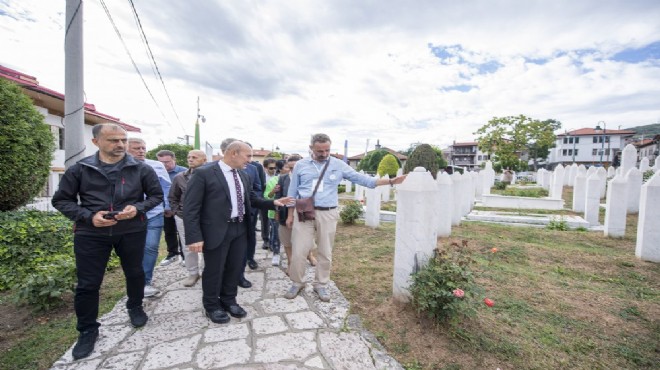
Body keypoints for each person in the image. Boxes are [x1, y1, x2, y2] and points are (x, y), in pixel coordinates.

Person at [52, 123, 163, 360]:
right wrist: (89, 217)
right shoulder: (79, 169)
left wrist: (138, 208)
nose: (120, 144)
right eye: (113, 140)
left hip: (131, 230)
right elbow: (61, 200)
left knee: (135, 273)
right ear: (96, 142)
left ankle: (135, 306)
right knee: (88, 284)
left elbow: (156, 196)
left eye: (123, 139)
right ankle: (87, 330)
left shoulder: (141, 169)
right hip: (91, 233)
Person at [284, 133, 406, 302]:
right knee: (299, 251)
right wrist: (290, 215)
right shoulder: (300, 165)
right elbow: (292, 191)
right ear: (311, 148)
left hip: (328, 213)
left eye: (327, 150)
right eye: (320, 150)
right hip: (303, 213)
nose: (324, 153)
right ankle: (297, 282)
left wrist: (390, 182)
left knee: (325, 251)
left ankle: (321, 285)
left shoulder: (338, 165)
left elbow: (362, 179)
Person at [183, 141, 292, 324]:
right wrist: (194, 237)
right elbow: (191, 208)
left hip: (240, 228)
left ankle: (229, 300)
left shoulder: (242, 174)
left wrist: (272, 202)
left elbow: (250, 198)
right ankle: (211, 306)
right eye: (248, 156)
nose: (250, 160)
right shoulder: (204, 173)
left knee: (234, 267)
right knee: (214, 270)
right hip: (216, 230)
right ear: (233, 153)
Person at [127, 138, 172, 297]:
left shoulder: (156, 165)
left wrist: (167, 206)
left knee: (151, 247)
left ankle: (145, 282)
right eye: (136, 148)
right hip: (128, 215)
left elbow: (166, 187)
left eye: (143, 148)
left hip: (153, 213)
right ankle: (133, 280)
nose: (141, 151)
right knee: (132, 249)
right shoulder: (119, 167)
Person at [168, 150, 207, 287]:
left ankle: (207, 271)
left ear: (204, 160)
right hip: (183, 217)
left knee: (209, 245)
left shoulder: (212, 175)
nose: (190, 159)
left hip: (207, 217)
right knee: (188, 246)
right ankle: (193, 273)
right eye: (189, 157)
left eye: (194, 157)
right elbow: (173, 197)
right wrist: (176, 212)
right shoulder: (180, 177)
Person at [274, 155, 316, 274]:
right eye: (290, 167)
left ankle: (309, 255)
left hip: (304, 212)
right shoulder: (282, 178)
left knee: (306, 238)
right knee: (287, 239)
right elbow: (278, 196)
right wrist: (277, 211)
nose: (293, 170)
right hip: (285, 213)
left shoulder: (309, 177)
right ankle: (290, 262)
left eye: (296, 167)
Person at [157, 150, 187, 266]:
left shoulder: (184, 172)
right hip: (163, 208)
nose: (164, 165)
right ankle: (172, 253)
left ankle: (185, 255)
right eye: (161, 162)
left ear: (174, 160)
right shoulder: (156, 172)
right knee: (169, 232)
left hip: (180, 208)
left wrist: (174, 209)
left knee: (182, 232)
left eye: (167, 162)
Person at [260, 158, 277, 250]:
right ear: (265, 168)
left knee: (274, 223)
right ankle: (266, 240)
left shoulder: (279, 176)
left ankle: (273, 240)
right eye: (271, 168)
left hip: (276, 202)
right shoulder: (261, 176)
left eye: (275, 168)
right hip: (263, 202)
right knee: (265, 221)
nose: (273, 170)